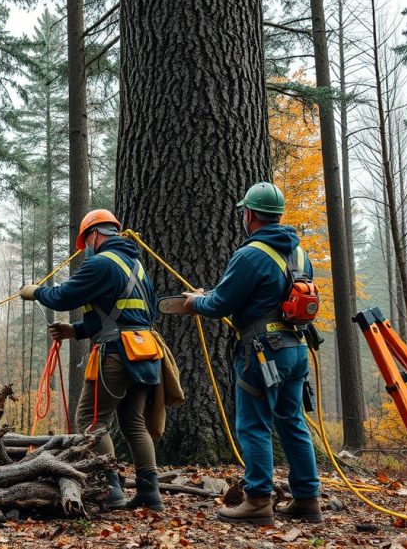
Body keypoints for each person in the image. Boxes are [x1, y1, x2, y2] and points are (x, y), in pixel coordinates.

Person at [182, 182, 322, 525]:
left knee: (253, 424)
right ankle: (307, 498)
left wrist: (195, 302)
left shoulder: (249, 254)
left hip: (262, 353)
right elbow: (263, 295)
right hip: (295, 348)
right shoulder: (300, 255)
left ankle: (258, 500)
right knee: (292, 422)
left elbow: (221, 304)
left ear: (249, 215)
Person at [19, 209, 164, 511]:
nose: (85, 248)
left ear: (94, 235)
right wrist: (76, 330)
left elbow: (62, 297)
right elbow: (129, 315)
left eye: (85, 241)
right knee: (134, 423)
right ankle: (150, 494)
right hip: (145, 352)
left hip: (115, 354)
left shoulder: (100, 263)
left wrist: (37, 292)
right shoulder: (136, 266)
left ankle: (111, 490)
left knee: (91, 420)